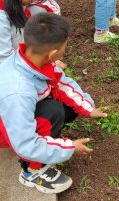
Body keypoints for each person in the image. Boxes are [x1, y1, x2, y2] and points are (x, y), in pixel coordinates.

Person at [0, 13, 107, 194]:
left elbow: (62, 82)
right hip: (8, 129)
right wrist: (69, 148)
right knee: (53, 110)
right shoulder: (18, 91)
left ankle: (45, 140)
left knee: (67, 109)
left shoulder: (31, 59)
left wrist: (88, 109)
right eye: (65, 46)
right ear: (52, 53)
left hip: (15, 116)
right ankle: (31, 171)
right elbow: (24, 143)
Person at [0, 0, 61, 64]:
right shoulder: (2, 18)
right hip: (6, 62)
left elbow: (53, 8)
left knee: (40, 12)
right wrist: (37, 63)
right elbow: (4, 58)